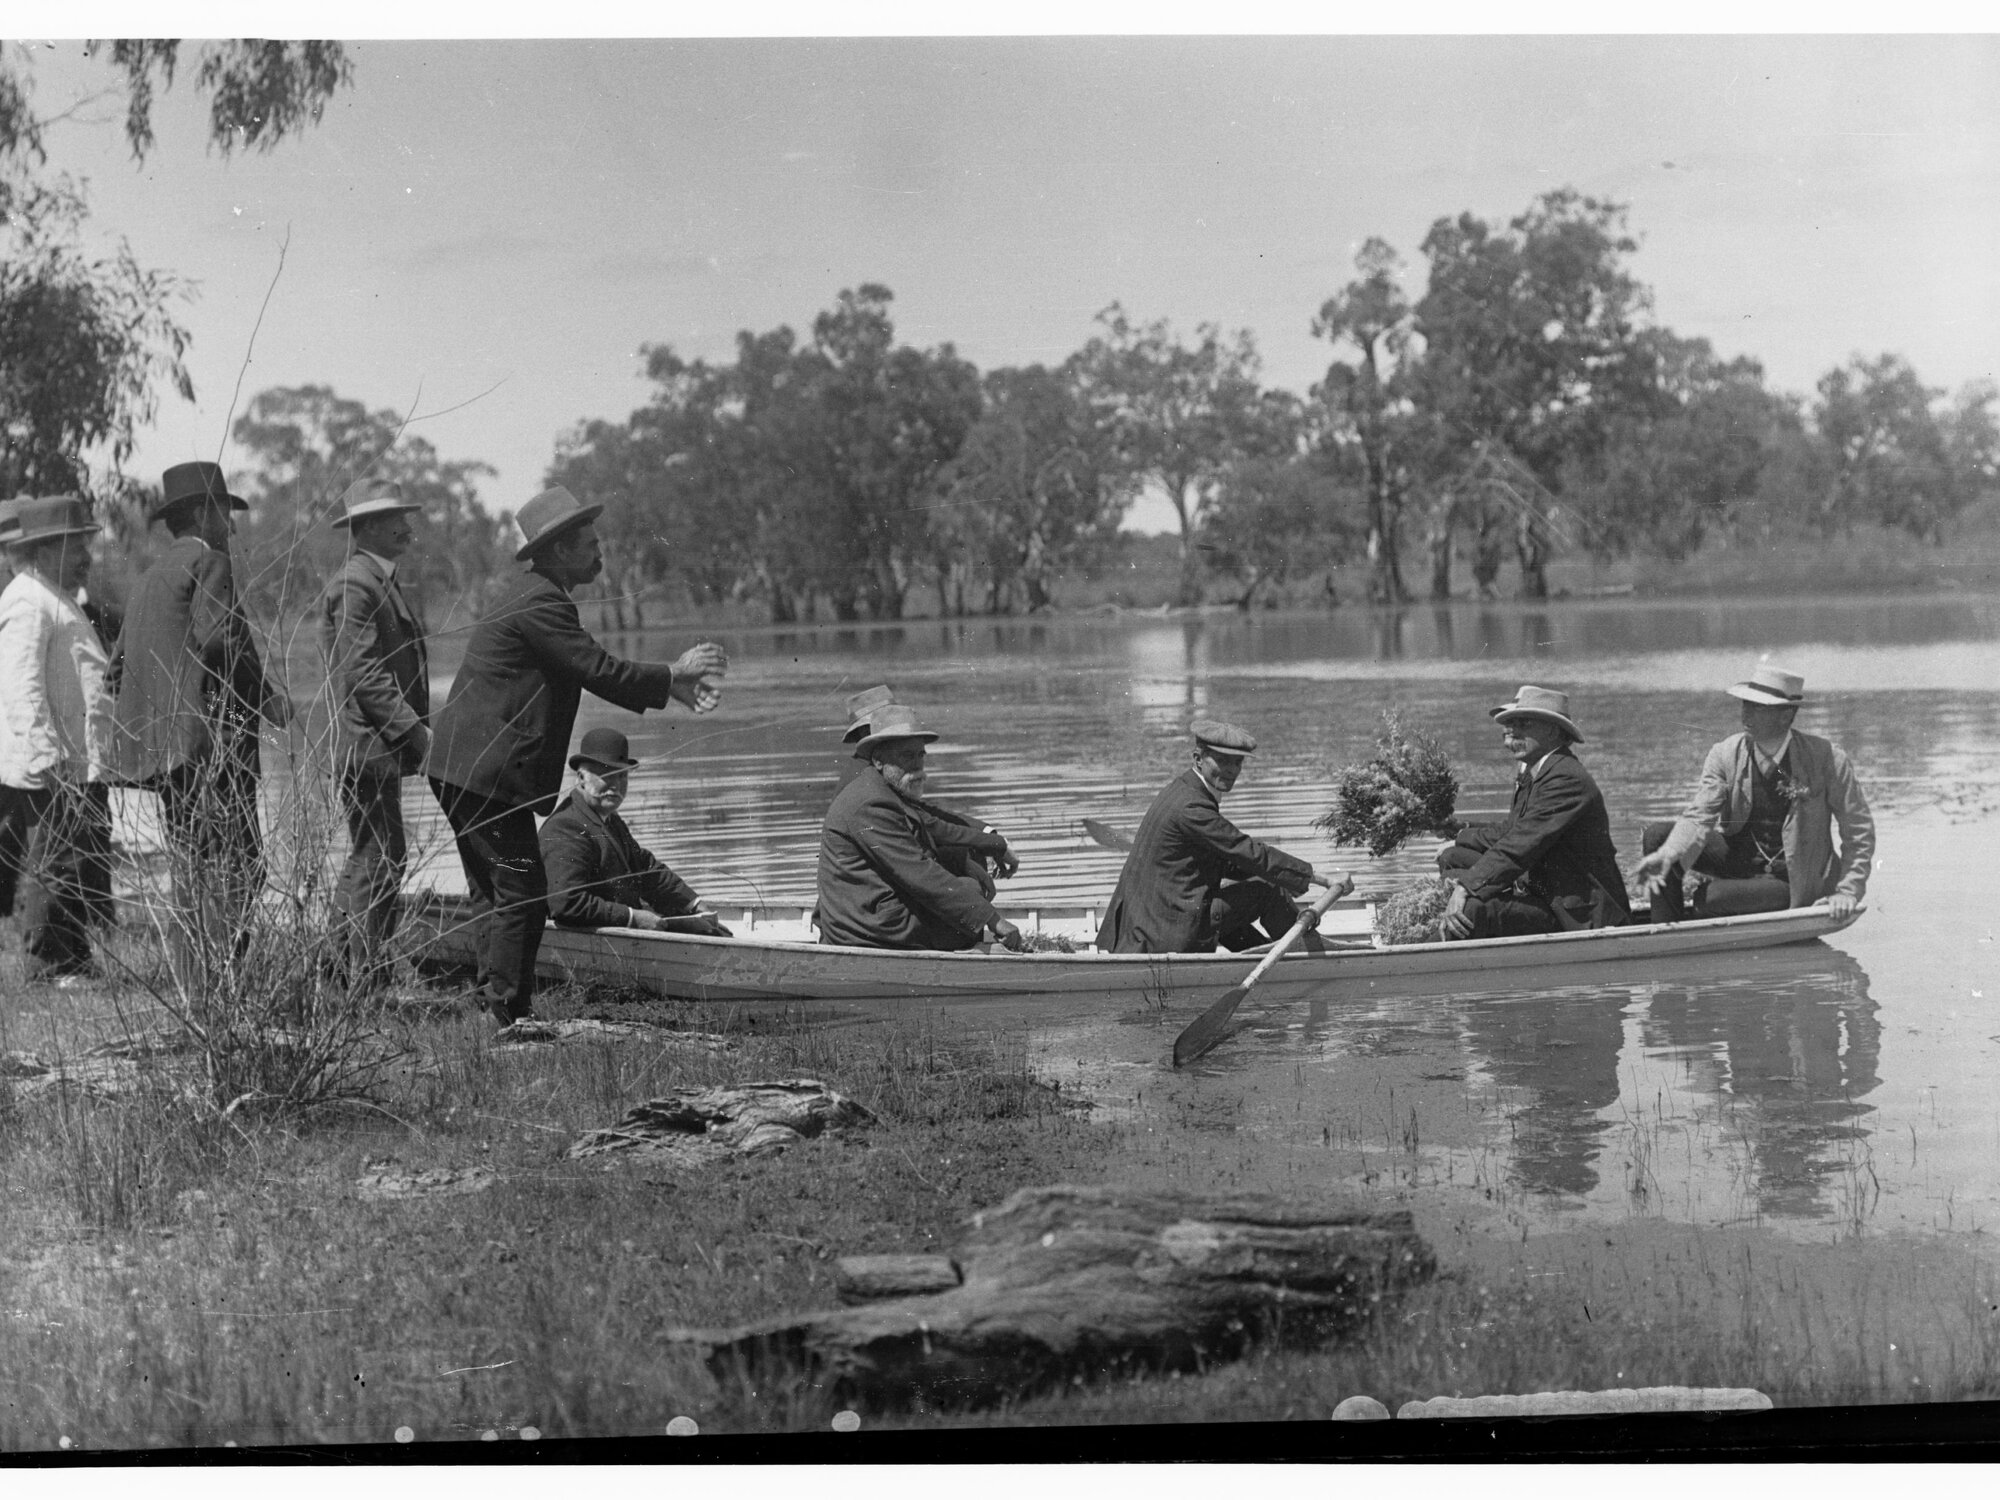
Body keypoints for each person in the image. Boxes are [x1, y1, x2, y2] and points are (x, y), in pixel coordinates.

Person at [426, 484, 727, 1024]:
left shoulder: (535, 596)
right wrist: (673, 674)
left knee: (494, 891)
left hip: (461, 769)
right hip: (484, 775)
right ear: (560, 549)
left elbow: (592, 670)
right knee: (520, 888)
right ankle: (511, 1018)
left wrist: (667, 686)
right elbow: (597, 668)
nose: (599, 551)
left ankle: (494, 1009)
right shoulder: (542, 602)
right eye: (589, 543)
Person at [111, 461, 289, 961]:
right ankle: (221, 987)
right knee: (242, 865)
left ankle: (203, 989)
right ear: (203, 515)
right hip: (210, 748)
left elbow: (115, 671)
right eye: (224, 514)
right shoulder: (210, 563)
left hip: (165, 754)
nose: (231, 527)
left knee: (195, 866)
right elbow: (219, 641)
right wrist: (267, 697)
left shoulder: (147, 580)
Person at [1629, 664, 1874, 923]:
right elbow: (1699, 816)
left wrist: (1847, 891)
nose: (1746, 714)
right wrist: (1668, 853)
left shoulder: (1827, 759)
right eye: (1745, 704)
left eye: (1758, 707)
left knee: (1708, 898)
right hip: (1741, 861)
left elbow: (1858, 831)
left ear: (1786, 715)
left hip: (1792, 877)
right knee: (1658, 837)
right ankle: (1665, 929)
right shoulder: (1724, 753)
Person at [318, 477, 430, 995]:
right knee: (380, 855)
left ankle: (346, 971)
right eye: (394, 519)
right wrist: (417, 735)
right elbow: (364, 675)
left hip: (376, 749)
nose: (406, 526)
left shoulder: (376, 579)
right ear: (366, 529)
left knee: (377, 854)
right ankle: (360, 976)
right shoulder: (355, 584)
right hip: (368, 750)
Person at [1097, 719, 1344, 954]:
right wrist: (1319, 878)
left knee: (1250, 886)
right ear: (1198, 758)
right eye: (1222, 761)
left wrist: (1265, 870)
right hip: (1166, 930)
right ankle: (1306, 953)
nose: (1231, 771)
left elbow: (1226, 860)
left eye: (1237, 762)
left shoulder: (1181, 790)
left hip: (1149, 926)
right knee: (1268, 891)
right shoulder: (1192, 808)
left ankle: (1269, 954)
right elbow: (1245, 850)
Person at [0, 497, 114, 982]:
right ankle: (49, 967)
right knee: (56, 863)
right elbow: (20, 685)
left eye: (87, 543)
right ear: (45, 550)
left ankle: (73, 959)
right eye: (75, 546)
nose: (86, 555)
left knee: (72, 858)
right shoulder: (28, 600)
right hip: (54, 761)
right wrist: (46, 757)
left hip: (73, 757)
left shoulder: (51, 594)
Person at [816, 703, 1024, 951]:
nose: (916, 765)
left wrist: (994, 843)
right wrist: (994, 919)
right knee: (968, 896)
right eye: (906, 756)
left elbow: (934, 823)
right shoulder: (870, 802)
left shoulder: (886, 789)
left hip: (867, 911)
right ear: (878, 760)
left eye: (920, 755)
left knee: (967, 875)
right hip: (868, 927)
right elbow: (920, 873)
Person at [1435, 685, 1631, 941]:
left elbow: (1518, 845)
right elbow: (1513, 832)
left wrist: (1466, 888)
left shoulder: (1564, 778)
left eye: (1523, 724)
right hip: (1545, 891)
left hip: (1578, 915)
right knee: (1453, 868)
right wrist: (1459, 833)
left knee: (1473, 908)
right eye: (1510, 724)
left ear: (1551, 730)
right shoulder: (1542, 771)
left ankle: (1415, 961)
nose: (1511, 732)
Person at [539, 727, 730, 936]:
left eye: (622, 776)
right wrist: (632, 917)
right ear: (581, 778)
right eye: (606, 775)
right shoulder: (566, 827)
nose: (616, 785)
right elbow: (566, 903)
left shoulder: (609, 820)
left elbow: (646, 870)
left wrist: (693, 904)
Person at [839, 685, 1018, 894]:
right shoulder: (865, 778)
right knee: (966, 874)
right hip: (872, 889)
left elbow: (924, 811)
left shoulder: (881, 768)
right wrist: (994, 844)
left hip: (894, 870)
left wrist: (987, 833)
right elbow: (929, 823)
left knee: (964, 856)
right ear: (865, 733)